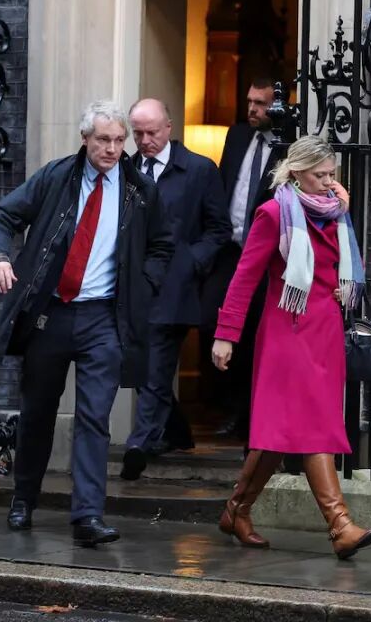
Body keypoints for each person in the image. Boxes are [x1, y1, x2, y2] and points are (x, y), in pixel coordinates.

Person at [0, 100, 173, 546]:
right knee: (37, 412)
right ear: (85, 139)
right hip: (50, 313)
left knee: (94, 417)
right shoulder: (56, 177)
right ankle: (23, 498)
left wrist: (143, 284)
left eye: (119, 141)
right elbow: (2, 215)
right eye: (103, 140)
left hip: (103, 317)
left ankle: (87, 515)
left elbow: (162, 246)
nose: (112, 149)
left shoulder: (139, 190)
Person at [211, 135, 371, 560]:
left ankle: (236, 510)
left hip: (324, 335)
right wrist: (226, 334)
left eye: (332, 175)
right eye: (320, 175)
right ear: (297, 172)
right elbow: (245, 277)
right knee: (312, 425)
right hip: (287, 332)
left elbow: (346, 269)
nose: (328, 182)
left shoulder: (335, 213)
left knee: (281, 432)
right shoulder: (273, 214)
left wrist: (342, 285)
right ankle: (340, 525)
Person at [119, 99, 232, 481]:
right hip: (134, 284)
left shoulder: (199, 169)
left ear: (169, 127)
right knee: (136, 363)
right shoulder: (125, 169)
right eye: (137, 133)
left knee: (156, 366)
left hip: (174, 285)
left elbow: (219, 229)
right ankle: (177, 430)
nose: (144, 140)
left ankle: (139, 444)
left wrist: (190, 261)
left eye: (151, 132)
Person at [200, 78, 285, 442]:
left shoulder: (288, 144)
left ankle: (249, 416)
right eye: (250, 101)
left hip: (264, 258)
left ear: (277, 106)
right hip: (229, 251)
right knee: (209, 320)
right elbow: (224, 184)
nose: (252, 109)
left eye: (261, 103)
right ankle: (224, 404)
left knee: (254, 334)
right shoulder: (236, 136)